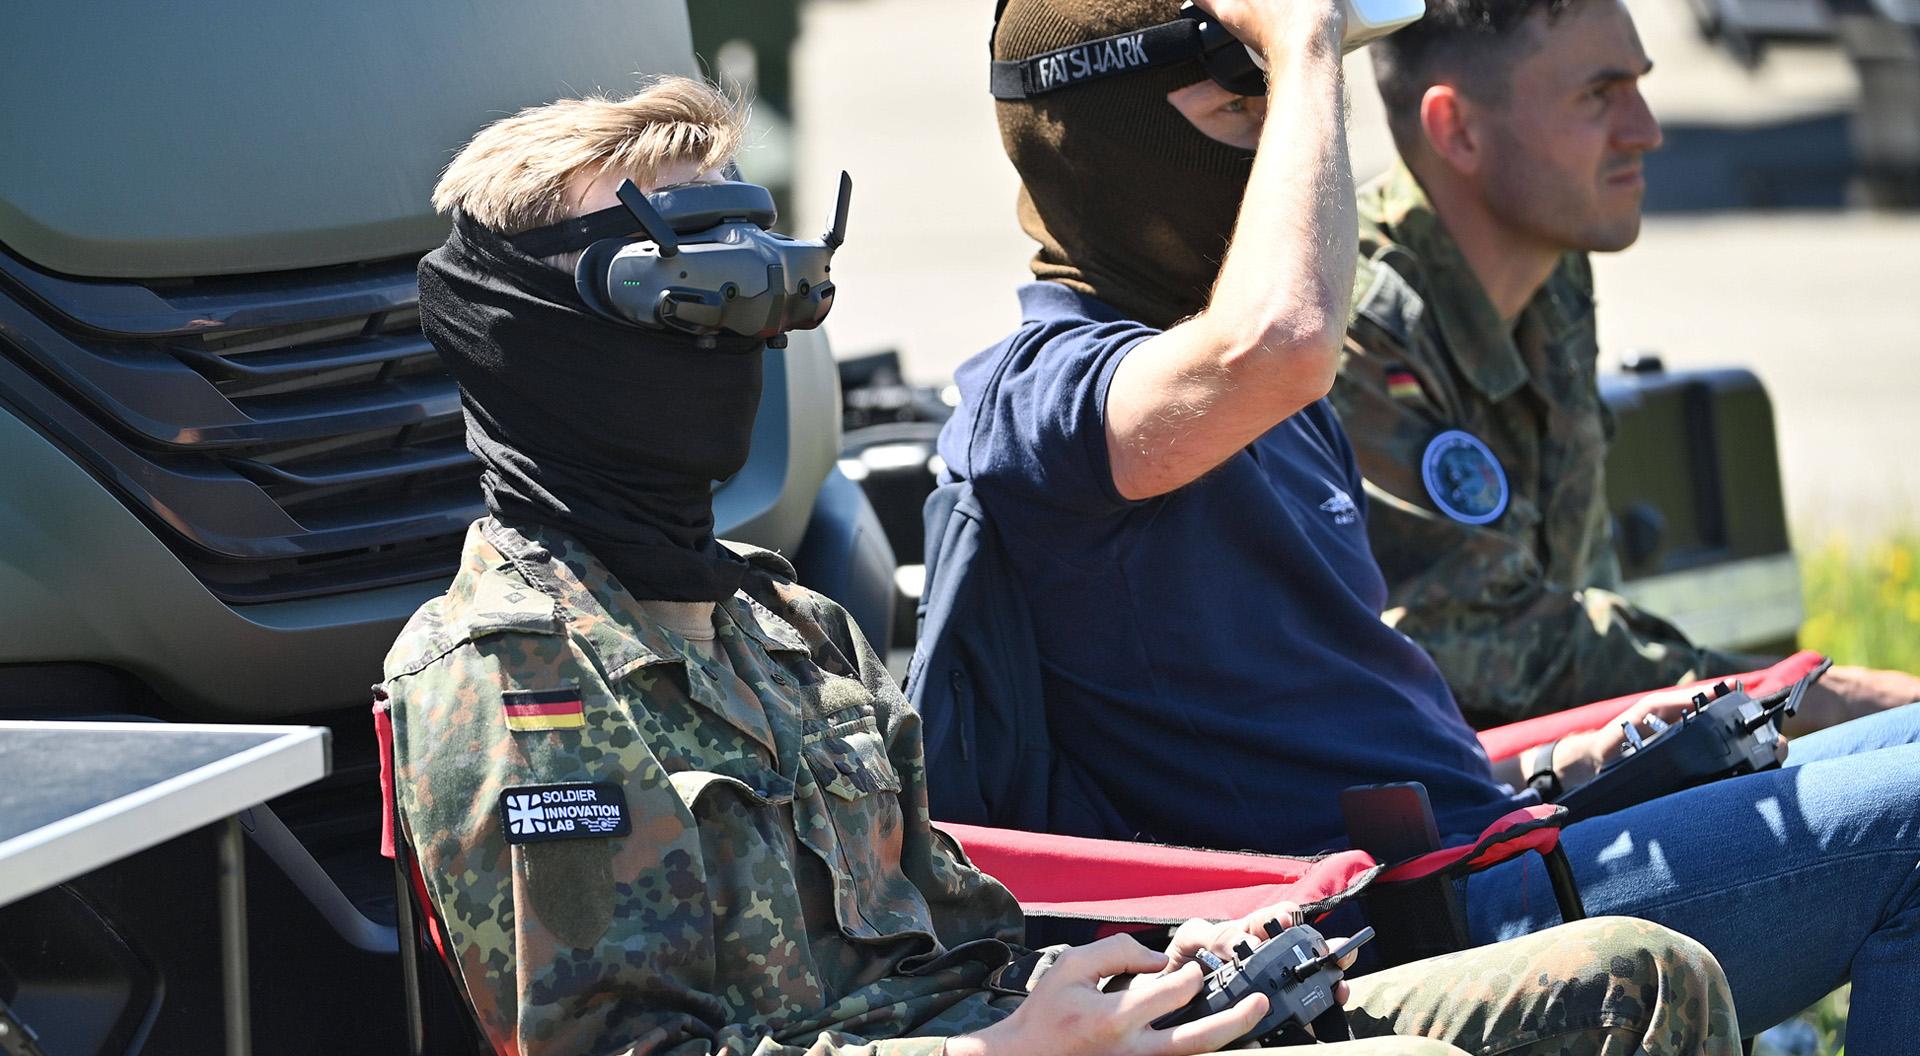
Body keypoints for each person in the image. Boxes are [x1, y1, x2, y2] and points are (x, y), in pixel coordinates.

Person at [380, 76, 1740, 1056]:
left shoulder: (785, 623)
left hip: (1035, 1032)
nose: (735, 344)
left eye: (764, 292)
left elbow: (964, 922)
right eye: (693, 298)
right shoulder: (513, 676)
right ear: (542, 339)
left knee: (1635, 984)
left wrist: (1149, 967)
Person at [935, 0, 1920, 1049]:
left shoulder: (1262, 401)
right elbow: (1283, 337)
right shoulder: (1049, 395)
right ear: (1110, 142)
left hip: (1485, 852)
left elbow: (1353, 727)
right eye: (1242, 108)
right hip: (1396, 931)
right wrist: (1307, 40)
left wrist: (1537, 769)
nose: (1286, 156)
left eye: (1288, 106)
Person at [1328, 0, 1920, 732]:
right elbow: (1484, 644)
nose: (1647, 131)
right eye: (1599, 96)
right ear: (1458, 129)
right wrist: (1783, 696)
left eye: (1640, 85)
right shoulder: (1354, 328)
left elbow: (1575, 592)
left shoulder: (1551, 267)